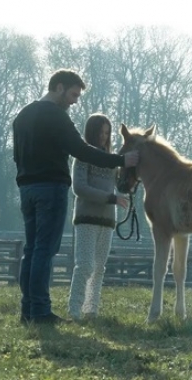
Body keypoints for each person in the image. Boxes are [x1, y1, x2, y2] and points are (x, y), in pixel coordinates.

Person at [13, 69, 138, 325]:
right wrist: (121, 160)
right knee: (44, 251)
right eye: (72, 94)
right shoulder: (56, 117)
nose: (74, 101)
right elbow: (82, 150)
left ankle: (28, 310)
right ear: (58, 87)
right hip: (51, 189)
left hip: (27, 189)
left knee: (32, 249)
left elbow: (17, 155)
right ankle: (41, 311)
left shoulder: (23, 116)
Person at [68, 113, 128, 321]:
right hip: (86, 217)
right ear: (92, 133)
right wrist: (110, 198)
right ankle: (74, 310)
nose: (103, 137)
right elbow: (80, 187)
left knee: (99, 268)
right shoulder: (83, 157)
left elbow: (120, 185)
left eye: (106, 133)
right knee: (85, 265)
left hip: (107, 221)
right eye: (100, 132)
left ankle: (91, 309)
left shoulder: (111, 161)